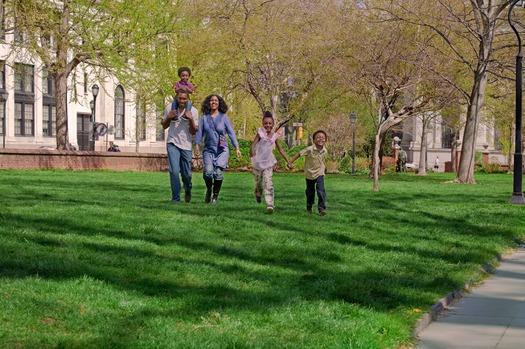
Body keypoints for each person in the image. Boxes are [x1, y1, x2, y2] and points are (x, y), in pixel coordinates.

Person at [194, 94, 241, 204]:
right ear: (208, 103)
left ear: (219, 103)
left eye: (216, 100)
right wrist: (197, 145)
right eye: (211, 100)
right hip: (208, 150)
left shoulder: (224, 117)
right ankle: (209, 189)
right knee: (208, 173)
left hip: (222, 149)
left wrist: (237, 147)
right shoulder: (204, 117)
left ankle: (215, 196)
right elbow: (200, 132)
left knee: (218, 173)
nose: (213, 102)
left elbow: (231, 133)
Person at [160, 89, 199, 204]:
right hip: (172, 142)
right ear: (176, 98)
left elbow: (193, 131)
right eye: (180, 98)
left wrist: (191, 118)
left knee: (186, 174)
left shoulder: (193, 111)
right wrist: (169, 117)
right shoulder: (170, 108)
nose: (182, 101)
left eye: (184, 99)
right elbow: (164, 126)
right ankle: (175, 198)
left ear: (188, 99)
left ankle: (188, 188)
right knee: (174, 171)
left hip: (186, 145)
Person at [250, 111, 293, 213]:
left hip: (268, 163)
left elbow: (280, 149)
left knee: (268, 182)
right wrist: (253, 156)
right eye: (266, 123)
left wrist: (288, 161)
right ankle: (258, 193)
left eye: (270, 123)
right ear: (262, 123)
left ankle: (270, 204)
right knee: (258, 184)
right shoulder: (260, 134)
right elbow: (253, 145)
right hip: (258, 163)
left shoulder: (274, 136)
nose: (267, 125)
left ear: (273, 124)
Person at [290, 130, 328, 216]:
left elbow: (321, 160)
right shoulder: (310, 149)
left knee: (321, 190)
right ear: (314, 140)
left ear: (325, 140)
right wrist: (290, 162)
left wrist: (325, 166)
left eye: (323, 138)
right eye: (318, 137)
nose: (321, 139)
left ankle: (321, 208)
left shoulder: (325, 150)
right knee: (310, 192)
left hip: (319, 173)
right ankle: (309, 205)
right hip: (309, 173)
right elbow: (299, 154)